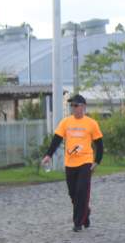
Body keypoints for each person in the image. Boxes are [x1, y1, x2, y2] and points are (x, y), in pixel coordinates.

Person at [42, 94, 104, 232]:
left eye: (75, 105)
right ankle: (85, 212)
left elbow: (99, 145)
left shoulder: (91, 123)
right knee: (73, 194)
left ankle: (77, 223)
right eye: (71, 105)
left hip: (85, 162)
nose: (73, 108)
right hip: (70, 163)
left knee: (82, 191)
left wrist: (96, 162)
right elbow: (56, 140)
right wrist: (48, 155)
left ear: (83, 107)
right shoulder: (66, 122)